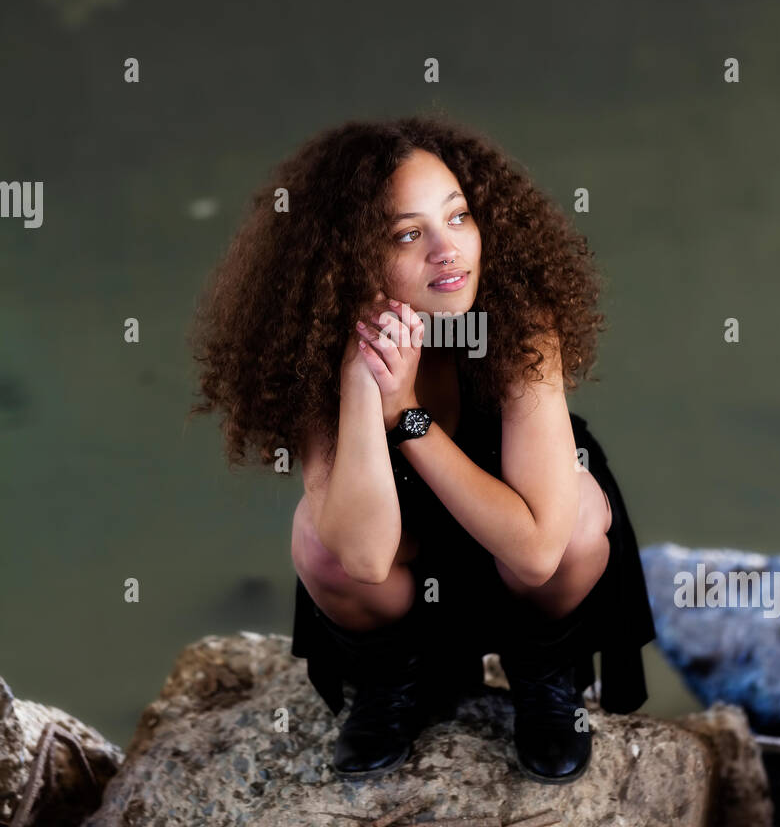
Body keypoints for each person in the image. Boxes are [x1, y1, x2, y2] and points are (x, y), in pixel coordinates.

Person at [190, 113, 656, 785]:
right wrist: (360, 380)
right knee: (317, 543)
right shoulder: (321, 352)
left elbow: (535, 549)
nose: (450, 249)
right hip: (405, 550)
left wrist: (406, 416)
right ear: (351, 262)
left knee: (579, 524)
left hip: (514, 537)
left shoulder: (518, 322)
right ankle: (395, 685)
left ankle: (542, 676)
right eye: (410, 234)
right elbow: (362, 556)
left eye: (459, 216)